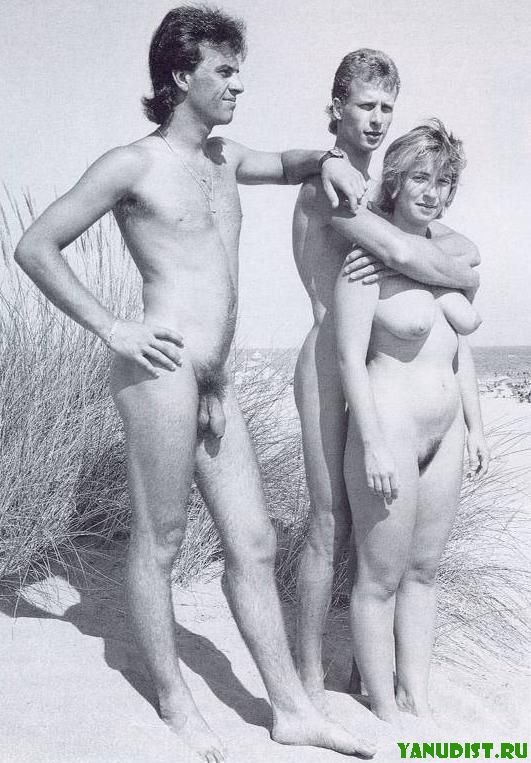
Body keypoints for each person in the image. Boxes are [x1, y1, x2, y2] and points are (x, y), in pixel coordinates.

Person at [14, 7, 375, 762]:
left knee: (254, 540)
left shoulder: (224, 157)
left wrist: (328, 160)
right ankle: (177, 707)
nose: (239, 84)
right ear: (181, 75)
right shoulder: (131, 164)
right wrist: (112, 326)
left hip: (216, 381)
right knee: (163, 538)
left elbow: (288, 163)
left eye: (239, 71)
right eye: (225, 71)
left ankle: (289, 710)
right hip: (161, 371)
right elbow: (36, 244)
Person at [293, 50, 483, 713]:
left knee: (404, 556)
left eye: (385, 108)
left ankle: (390, 687)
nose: (376, 118)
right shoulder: (333, 192)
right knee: (333, 527)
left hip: (415, 398)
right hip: (342, 373)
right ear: (336, 109)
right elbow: (401, 252)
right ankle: (314, 679)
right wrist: (447, 267)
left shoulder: (382, 194)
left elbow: (453, 270)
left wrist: (474, 422)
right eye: (365, 105)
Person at [334, 120, 490, 724]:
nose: (432, 191)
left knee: (424, 572)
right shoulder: (366, 260)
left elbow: (458, 349)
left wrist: (476, 425)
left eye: (444, 181)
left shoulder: (445, 259)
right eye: (421, 178)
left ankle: (415, 698)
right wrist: (372, 443)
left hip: (446, 434)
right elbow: (350, 358)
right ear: (395, 182)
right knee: (379, 578)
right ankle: (383, 709)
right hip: (390, 426)